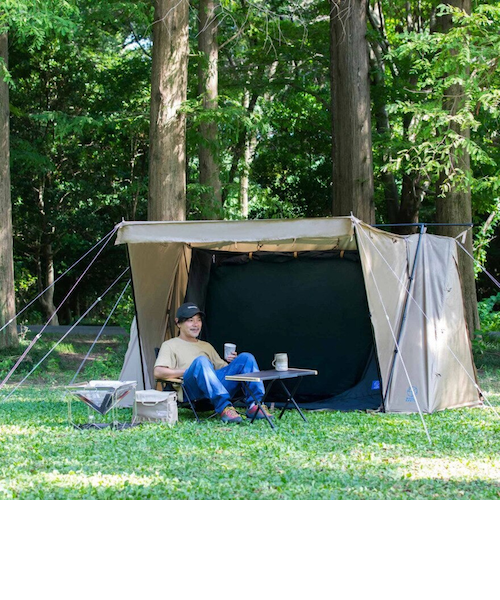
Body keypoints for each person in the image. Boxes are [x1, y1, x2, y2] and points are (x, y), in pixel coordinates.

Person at [153, 302, 272, 424]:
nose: (196, 324)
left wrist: (233, 363)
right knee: (201, 361)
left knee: (246, 358)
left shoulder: (206, 346)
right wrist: (190, 371)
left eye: (198, 320)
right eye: (190, 320)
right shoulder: (170, 345)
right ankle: (224, 407)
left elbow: (224, 370)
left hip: (214, 385)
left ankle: (255, 405)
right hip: (190, 388)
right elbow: (158, 372)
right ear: (178, 323)